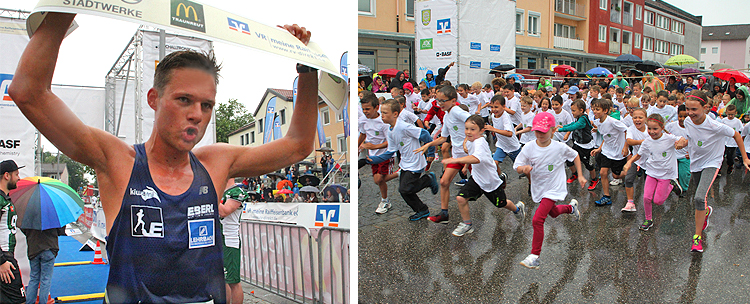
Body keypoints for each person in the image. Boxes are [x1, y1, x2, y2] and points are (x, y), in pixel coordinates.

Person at [8, 13, 319, 302]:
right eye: (184, 100)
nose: (197, 115)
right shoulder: (120, 161)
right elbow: (29, 92)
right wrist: (64, 9)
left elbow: (298, 145)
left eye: (206, 105)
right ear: (154, 99)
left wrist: (306, 68)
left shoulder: (215, 162)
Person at [515, 112, 586, 269]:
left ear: (553, 131)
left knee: (537, 219)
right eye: (537, 131)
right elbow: (517, 164)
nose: (540, 134)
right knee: (553, 213)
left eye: (544, 131)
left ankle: (535, 256)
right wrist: (523, 168)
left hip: (555, 188)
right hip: (540, 188)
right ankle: (571, 208)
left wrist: (580, 175)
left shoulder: (559, 147)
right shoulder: (529, 148)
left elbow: (575, 155)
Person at [681, 90, 750, 252]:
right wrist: (684, 143)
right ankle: (705, 212)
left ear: (705, 108)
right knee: (701, 198)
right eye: (688, 109)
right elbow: (690, 137)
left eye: (694, 110)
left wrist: (745, 158)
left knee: (698, 197)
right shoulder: (688, 122)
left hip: (712, 162)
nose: (690, 113)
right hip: (696, 162)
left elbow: (737, 136)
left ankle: (697, 238)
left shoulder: (715, 125)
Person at [443, 115, 525, 237]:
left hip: (490, 181)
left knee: (501, 204)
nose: (468, 132)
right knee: (460, 198)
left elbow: (476, 158)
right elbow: (471, 154)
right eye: (466, 128)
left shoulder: (480, 142)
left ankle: (518, 209)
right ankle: (467, 224)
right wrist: (465, 165)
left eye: (472, 129)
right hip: (476, 179)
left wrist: (455, 160)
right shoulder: (470, 140)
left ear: (482, 131)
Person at [366, 100, 438, 220]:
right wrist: (373, 159)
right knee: (404, 191)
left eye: (385, 113)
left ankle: (428, 179)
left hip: (415, 162)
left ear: (395, 114)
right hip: (405, 163)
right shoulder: (390, 130)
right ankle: (422, 210)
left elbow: (425, 134)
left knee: (405, 188)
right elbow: (390, 152)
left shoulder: (404, 126)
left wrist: (430, 152)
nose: (382, 115)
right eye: (381, 112)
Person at [415, 85, 471, 224]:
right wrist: (428, 144)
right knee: (444, 182)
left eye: (442, 101)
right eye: (438, 101)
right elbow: (443, 138)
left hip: (470, 154)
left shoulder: (457, 111)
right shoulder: (447, 116)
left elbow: (474, 120)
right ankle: (444, 213)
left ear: (453, 100)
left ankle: (514, 208)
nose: (439, 104)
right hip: (457, 156)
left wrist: (466, 140)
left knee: (488, 188)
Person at [622, 114, 686, 231]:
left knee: (658, 201)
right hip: (651, 172)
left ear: (662, 127)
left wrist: (682, 142)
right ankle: (648, 220)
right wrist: (629, 162)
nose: (652, 131)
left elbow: (682, 139)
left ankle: (671, 185)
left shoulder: (669, 138)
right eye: (649, 129)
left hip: (666, 174)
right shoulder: (647, 141)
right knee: (646, 198)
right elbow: (639, 155)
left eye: (655, 129)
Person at [358, 94, 398, 214]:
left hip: (386, 154)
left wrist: (374, 146)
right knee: (377, 180)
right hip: (373, 155)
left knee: (380, 178)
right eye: (363, 109)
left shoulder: (383, 122)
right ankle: (386, 200)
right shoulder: (362, 120)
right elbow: (363, 134)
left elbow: (390, 142)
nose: (365, 112)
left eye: (368, 109)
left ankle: (385, 200)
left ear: (376, 107)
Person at [590, 98, 629, 205]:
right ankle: (606, 196)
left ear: (605, 111)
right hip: (607, 151)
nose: (595, 111)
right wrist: (599, 148)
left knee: (616, 176)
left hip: (617, 152)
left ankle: (629, 172)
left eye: (598, 109)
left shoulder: (613, 121)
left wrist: (625, 147)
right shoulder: (598, 122)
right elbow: (606, 137)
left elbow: (627, 130)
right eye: (594, 109)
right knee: (603, 172)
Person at [556, 99, 597, 190]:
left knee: (589, 165)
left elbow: (575, 126)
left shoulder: (583, 119)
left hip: (587, 147)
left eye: (574, 110)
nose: (572, 112)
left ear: (581, 110)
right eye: (571, 110)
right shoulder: (579, 117)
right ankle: (575, 174)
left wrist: (560, 130)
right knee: (569, 160)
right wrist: (564, 127)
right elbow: (573, 123)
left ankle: (594, 179)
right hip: (577, 144)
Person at [0, 160, 25, 303]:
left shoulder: (5, 199)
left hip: (6, 257)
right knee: (19, 300)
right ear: (6, 176)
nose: (19, 178)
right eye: (16, 174)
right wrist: (2, 260)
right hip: (4, 259)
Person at [218, 180, 246, 304]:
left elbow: (224, 211)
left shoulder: (237, 192)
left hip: (230, 241)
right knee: (223, 280)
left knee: (233, 280)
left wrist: (212, 196)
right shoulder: (221, 191)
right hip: (219, 240)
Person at [621, 107, 649, 212]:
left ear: (646, 119)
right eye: (635, 117)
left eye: (640, 117)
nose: (637, 120)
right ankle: (630, 202)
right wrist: (643, 141)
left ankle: (649, 202)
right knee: (628, 178)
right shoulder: (631, 129)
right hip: (636, 158)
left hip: (650, 160)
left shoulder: (649, 129)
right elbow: (630, 141)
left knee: (648, 184)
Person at [485, 95, 521, 177]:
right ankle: (501, 177)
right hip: (501, 145)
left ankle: (531, 182)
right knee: (494, 164)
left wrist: (493, 129)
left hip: (513, 147)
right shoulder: (494, 115)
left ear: (504, 106)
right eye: (492, 107)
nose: (494, 109)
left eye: (496, 107)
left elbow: (509, 133)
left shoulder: (505, 117)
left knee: (521, 169)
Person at [665, 105, 691, 195]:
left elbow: (696, 141)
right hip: (673, 156)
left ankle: (683, 190)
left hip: (685, 156)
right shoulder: (671, 126)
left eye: (685, 116)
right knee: (670, 175)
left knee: (684, 174)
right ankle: (670, 189)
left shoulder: (692, 127)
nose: (682, 119)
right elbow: (665, 137)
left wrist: (692, 153)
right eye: (680, 116)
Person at [720, 105, 744, 175]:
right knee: (721, 156)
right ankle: (719, 169)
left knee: (730, 156)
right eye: (729, 114)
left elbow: (741, 130)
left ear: (735, 113)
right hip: (724, 141)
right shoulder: (724, 120)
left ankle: (730, 165)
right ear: (726, 113)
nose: (730, 116)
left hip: (733, 143)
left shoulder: (737, 121)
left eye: (732, 114)